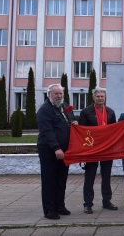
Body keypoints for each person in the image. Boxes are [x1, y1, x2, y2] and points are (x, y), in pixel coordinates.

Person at [36, 84, 78, 220]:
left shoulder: (64, 106)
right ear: (49, 94)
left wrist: (74, 123)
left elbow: (70, 120)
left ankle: (60, 205)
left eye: (61, 94)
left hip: (64, 150)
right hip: (49, 150)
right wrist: (56, 148)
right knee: (49, 180)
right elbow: (47, 131)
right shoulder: (44, 110)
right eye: (56, 94)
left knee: (61, 179)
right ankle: (49, 209)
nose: (59, 96)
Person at [80, 87, 118, 214]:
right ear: (93, 97)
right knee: (89, 177)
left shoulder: (110, 112)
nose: (100, 98)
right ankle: (88, 204)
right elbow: (81, 131)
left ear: (105, 97)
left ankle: (107, 201)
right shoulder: (86, 112)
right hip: (92, 149)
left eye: (102, 96)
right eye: (98, 96)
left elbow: (114, 130)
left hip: (107, 149)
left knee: (106, 177)